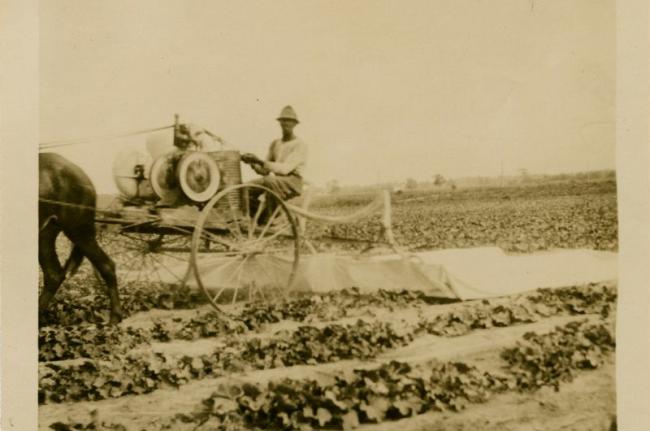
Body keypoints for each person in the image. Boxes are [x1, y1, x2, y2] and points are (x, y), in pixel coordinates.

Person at [241, 105, 308, 223]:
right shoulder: (275, 144)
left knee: (268, 181)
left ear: (295, 124)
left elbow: (284, 170)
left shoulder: (299, 145)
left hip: (293, 182)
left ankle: (269, 216)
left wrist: (259, 161)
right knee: (244, 188)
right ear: (280, 123)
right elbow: (264, 171)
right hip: (276, 181)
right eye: (283, 121)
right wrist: (252, 163)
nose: (286, 124)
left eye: (289, 121)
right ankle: (260, 216)